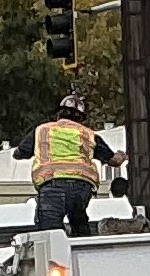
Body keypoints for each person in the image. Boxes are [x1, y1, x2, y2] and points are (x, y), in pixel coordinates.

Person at [27, 92, 116, 234]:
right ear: (81, 118)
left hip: (52, 185)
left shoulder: (42, 131)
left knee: (49, 231)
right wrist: (123, 156)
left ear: (59, 114)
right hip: (81, 188)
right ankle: (83, 246)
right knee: (79, 222)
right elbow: (113, 160)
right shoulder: (88, 134)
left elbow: (19, 153)